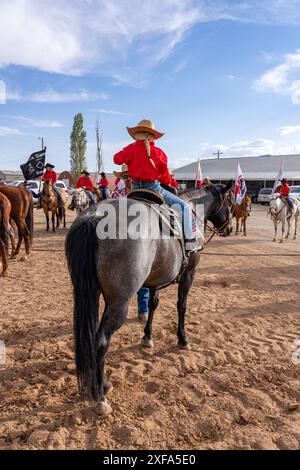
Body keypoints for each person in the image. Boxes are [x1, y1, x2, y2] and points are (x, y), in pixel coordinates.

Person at [113, 119, 202, 252]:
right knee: (184, 207)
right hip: (153, 188)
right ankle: (191, 242)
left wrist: (129, 151)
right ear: (152, 136)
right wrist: (167, 182)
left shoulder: (130, 149)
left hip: (135, 189)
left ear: (137, 133)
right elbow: (165, 175)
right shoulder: (158, 153)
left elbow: (116, 159)